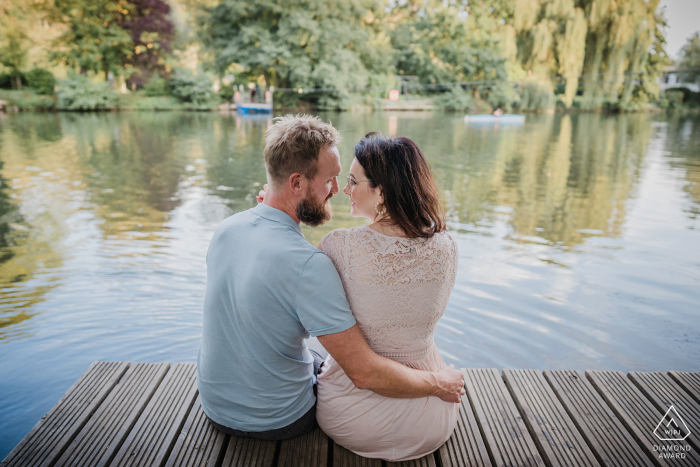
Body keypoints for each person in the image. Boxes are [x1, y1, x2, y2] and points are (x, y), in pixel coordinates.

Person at [196, 114, 465, 442]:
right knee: (335, 353)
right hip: (277, 420)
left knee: (321, 350)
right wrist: (441, 383)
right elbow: (364, 372)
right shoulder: (308, 263)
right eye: (331, 180)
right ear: (296, 183)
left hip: (214, 406)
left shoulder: (227, 229)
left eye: (346, 180)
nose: (338, 191)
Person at [314, 133, 460, 461]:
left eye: (353, 181)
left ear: (381, 191)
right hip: (432, 416)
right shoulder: (447, 245)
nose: (346, 190)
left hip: (353, 414)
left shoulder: (339, 246)